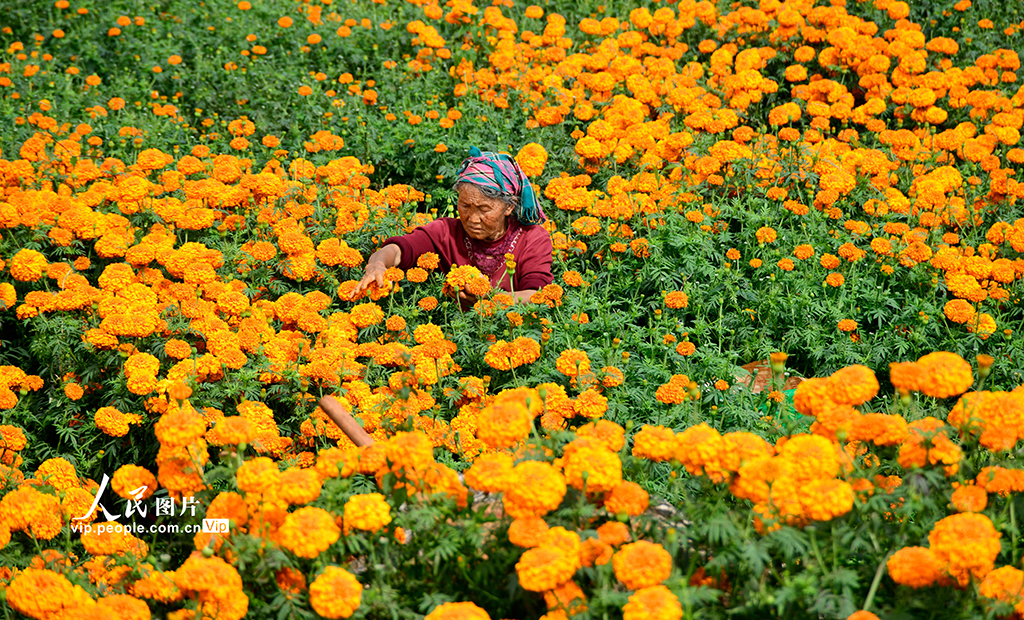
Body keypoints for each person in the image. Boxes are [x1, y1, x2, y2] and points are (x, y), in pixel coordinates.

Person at [350, 147, 554, 306]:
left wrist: (490, 299)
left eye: (484, 209)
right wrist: (377, 264)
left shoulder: (531, 239)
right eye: (465, 206)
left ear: (509, 206)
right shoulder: (446, 232)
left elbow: (535, 294)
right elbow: (399, 250)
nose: (472, 218)